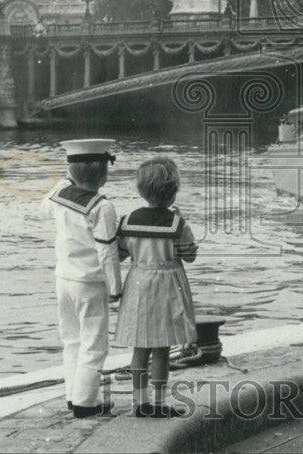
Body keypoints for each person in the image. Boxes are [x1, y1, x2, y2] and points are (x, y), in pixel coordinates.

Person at [43, 139, 122, 418]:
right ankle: (86, 403)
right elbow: (108, 252)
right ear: (103, 173)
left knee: (72, 340)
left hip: (63, 278)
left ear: (71, 169)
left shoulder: (59, 193)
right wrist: (115, 288)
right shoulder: (102, 207)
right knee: (94, 344)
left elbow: (43, 207)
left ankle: (72, 395)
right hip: (90, 282)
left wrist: (70, 175)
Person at [115, 156, 198, 418]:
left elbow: (119, 254)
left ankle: (139, 403)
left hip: (138, 285)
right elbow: (190, 255)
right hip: (166, 287)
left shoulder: (128, 220)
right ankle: (159, 403)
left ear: (141, 190)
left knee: (140, 348)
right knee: (161, 348)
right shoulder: (177, 224)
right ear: (173, 192)